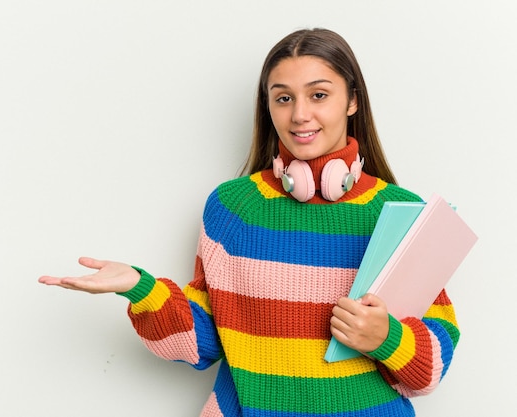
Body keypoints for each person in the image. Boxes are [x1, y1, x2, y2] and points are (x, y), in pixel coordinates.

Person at [39, 28, 459, 417]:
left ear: (352, 101)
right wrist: (139, 288)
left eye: (318, 95)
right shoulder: (234, 208)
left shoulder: (400, 212)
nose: (299, 115)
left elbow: (432, 365)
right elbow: (203, 343)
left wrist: (387, 338)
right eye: (283, 98)